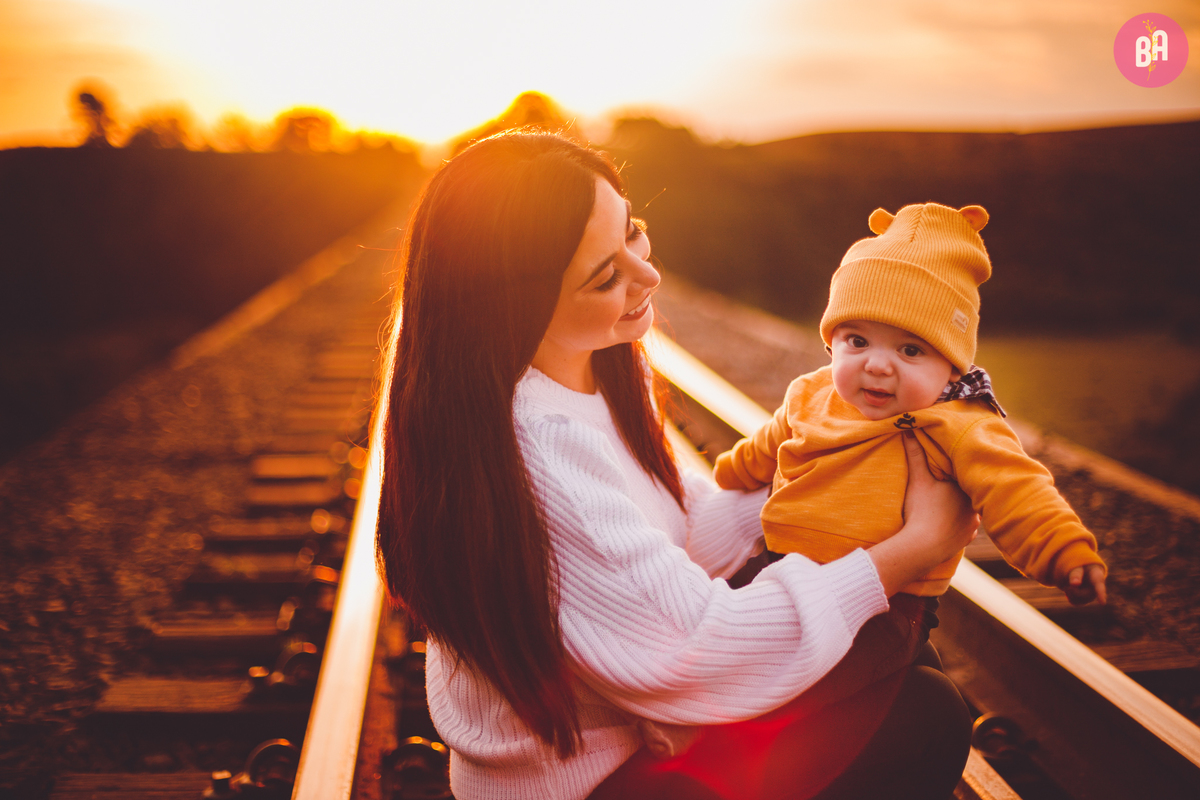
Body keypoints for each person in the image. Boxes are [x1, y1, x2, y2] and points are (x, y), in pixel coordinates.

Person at [376, 131, 979, 800]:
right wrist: (910, 547)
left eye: (632, 233)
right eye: (607, 277)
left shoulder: (582, 367)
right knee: (924, 714)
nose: (647, 275)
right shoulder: (536, 448)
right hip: (583, 784)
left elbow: (670, 530)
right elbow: (698, 640)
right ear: (516, 305)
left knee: (895, 656)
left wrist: (846, 472)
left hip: (619, 734)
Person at [702, 203, 1107, 721]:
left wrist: (1065, 552)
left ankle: (717, 725)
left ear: (950, 365)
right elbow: (769, 443)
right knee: (721, 622)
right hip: (785, 569)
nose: (876, 363)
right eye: (857, 340)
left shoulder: (959, 423)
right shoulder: (812, 392)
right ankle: (692, 706)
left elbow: (1017, 487)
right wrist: (734, 470)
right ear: (832, 342)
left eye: (911, 350)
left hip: (887, 608)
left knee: (808, 684)